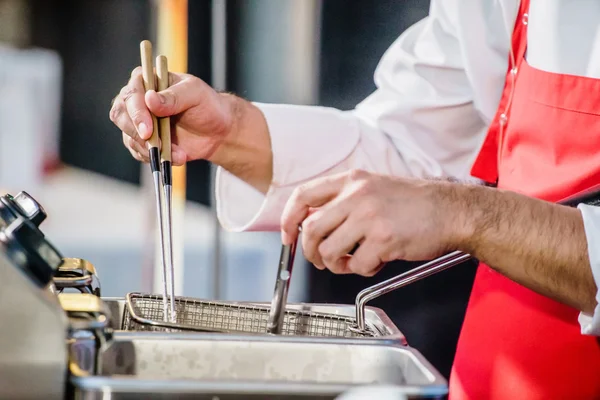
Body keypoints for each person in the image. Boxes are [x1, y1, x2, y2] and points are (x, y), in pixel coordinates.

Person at [109, 0, 600, 398]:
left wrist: (465, 213)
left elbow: (444, 200)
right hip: (492, 376)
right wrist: (229, 132)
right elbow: (414, 146)